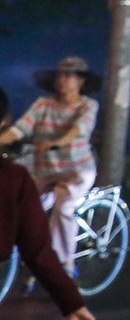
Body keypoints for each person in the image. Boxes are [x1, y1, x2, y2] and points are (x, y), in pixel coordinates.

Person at [0, 56, 101, 271]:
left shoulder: (87, 106)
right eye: (59, 75)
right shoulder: (42, 104)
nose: (62, 80)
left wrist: (56, 143)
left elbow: (79, 130)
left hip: (77, 171)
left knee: (64, 207)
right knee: (20, 204)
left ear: (81, 81)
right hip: (45, 171)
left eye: (68, 76)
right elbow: (21, 128)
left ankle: (62, 263)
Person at [0, 157, 96, 320]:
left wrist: (73, 304)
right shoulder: (13, 177)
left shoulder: (14, 178)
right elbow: (38, 250)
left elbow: (37, 248)